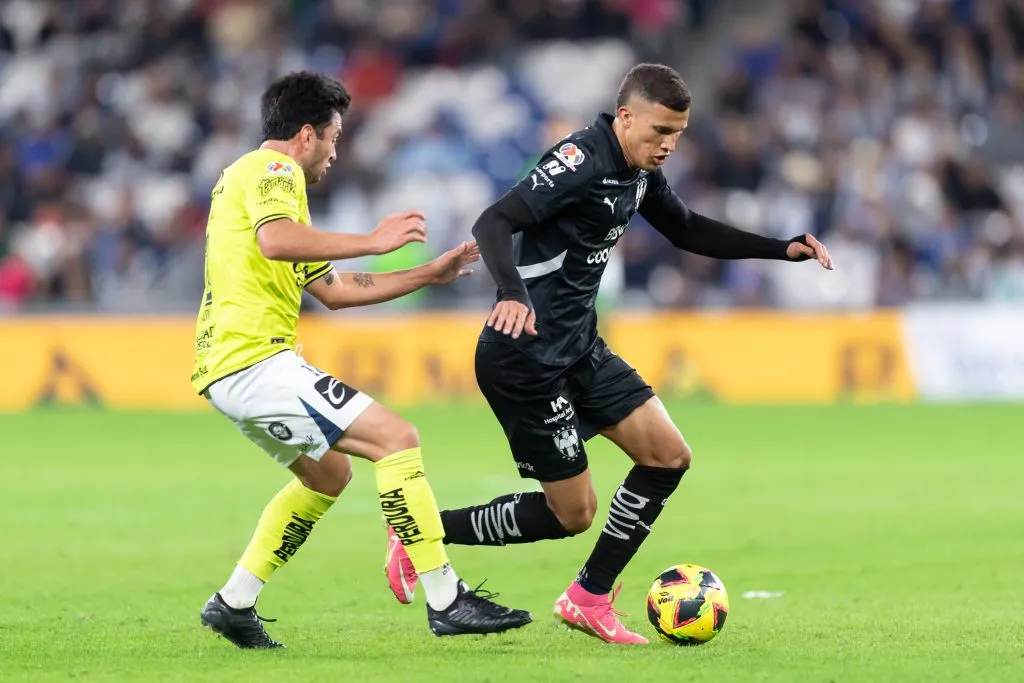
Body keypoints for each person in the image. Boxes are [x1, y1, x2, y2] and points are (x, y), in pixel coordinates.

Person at [384, 63, 833, 645]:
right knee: (571, 514)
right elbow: (493, 220)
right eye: (659, 131)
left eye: (677, 134)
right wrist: (512, 291)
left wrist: (781, 249)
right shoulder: (580, 162)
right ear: (625, 117)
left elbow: (686, 228)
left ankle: (588, 597)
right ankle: (421, 534)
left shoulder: (638, 171)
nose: (668, 145)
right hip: (525, 356)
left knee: (668, 456)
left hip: (580, 347)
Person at [192, 71, 532, 649]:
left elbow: (336, 290)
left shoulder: (252, 183)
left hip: (229, 366)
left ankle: (234, 602)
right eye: (333, 138)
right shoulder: (274, 172)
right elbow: (277, 241)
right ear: (306, 135)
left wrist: (427, 273)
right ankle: (446, 598)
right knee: (396, 439)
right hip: (253, 360)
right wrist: (374, 240)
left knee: (329, 474)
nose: (334, 153)